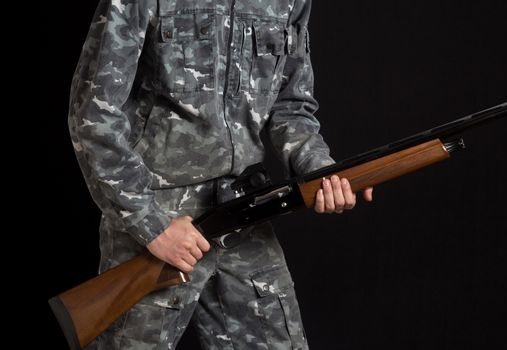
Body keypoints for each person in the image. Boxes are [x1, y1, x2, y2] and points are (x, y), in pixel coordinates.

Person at [68, 0, 372, 349]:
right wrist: (151, 226)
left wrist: (319, 169)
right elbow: (92, 116)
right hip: (158, 220)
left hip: (244, 213)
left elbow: (291, 107)